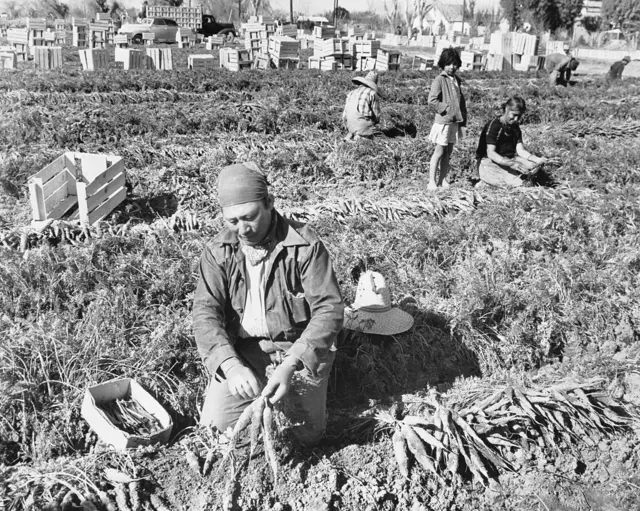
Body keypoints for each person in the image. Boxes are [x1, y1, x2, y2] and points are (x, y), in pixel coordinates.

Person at [193, 162, 344, 445]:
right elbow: (205, 313)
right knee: (216, 432)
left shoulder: (305, 246)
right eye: (232, 221)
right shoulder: (217, 252)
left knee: (304, 437)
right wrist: (230, 364)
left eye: (249, 217)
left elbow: (329, 309)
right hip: (244, 351)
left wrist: (291, 364)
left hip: (296, 350)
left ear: (270, 203)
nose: (242, 229)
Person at [476, 96, 548, 188]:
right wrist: (511, 164)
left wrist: (537, 159)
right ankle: (486, 181)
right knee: (519, 184)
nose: (516, 119)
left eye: (519, 116)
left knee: (533, 168)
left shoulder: (515, 127)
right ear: (506, 109)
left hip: (508, 159)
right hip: (488, 161)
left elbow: (521, 150)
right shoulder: (494, 126)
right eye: (514, 115)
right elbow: (491, 153)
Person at [427, 48, 467, 191]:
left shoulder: (457, 80)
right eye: (449, 64)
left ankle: (442, 179)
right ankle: (431, 181)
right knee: (439, 152)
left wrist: (463, 121)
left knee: (448, 153)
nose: (452, 67)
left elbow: (461, 102)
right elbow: (432, 100)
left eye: (455, 64)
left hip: (454, 122)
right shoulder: (439, 80)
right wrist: (447, 109)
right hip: (443, 122)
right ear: (443, 64)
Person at [342, 71, 384, 141]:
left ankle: (353, 134)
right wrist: (374, 123)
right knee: (382, 137)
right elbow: (377, 115)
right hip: (363, 126)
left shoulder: (351, 93)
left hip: (350, 126)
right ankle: (362, 136)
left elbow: (344, 116)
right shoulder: (372, 93)